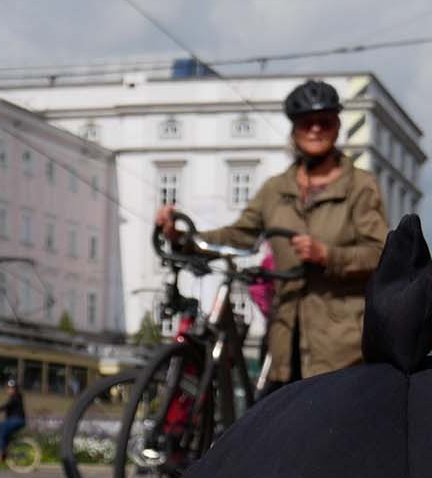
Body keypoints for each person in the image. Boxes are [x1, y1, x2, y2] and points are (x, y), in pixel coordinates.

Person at [155, 79, 388, 392]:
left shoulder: (360, 186)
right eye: (306, 123)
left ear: (336, 127)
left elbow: (381, 253)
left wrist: (327, 255)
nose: (315, 129)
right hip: (283, 343)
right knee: (272, 419)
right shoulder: (276, 189)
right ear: (294, 131)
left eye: (324, 122)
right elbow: (237, 236)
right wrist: (180, 237)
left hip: (341, 350)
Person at [0, 379, 26, 461]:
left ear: (16, 389)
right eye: (8, 388)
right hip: (14, 420)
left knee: (2, 430)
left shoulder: (16, 397)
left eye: (12, 388)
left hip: (17, 420)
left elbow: (6, 406)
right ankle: (5, 451)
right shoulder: (13, 397)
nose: (10, 390)